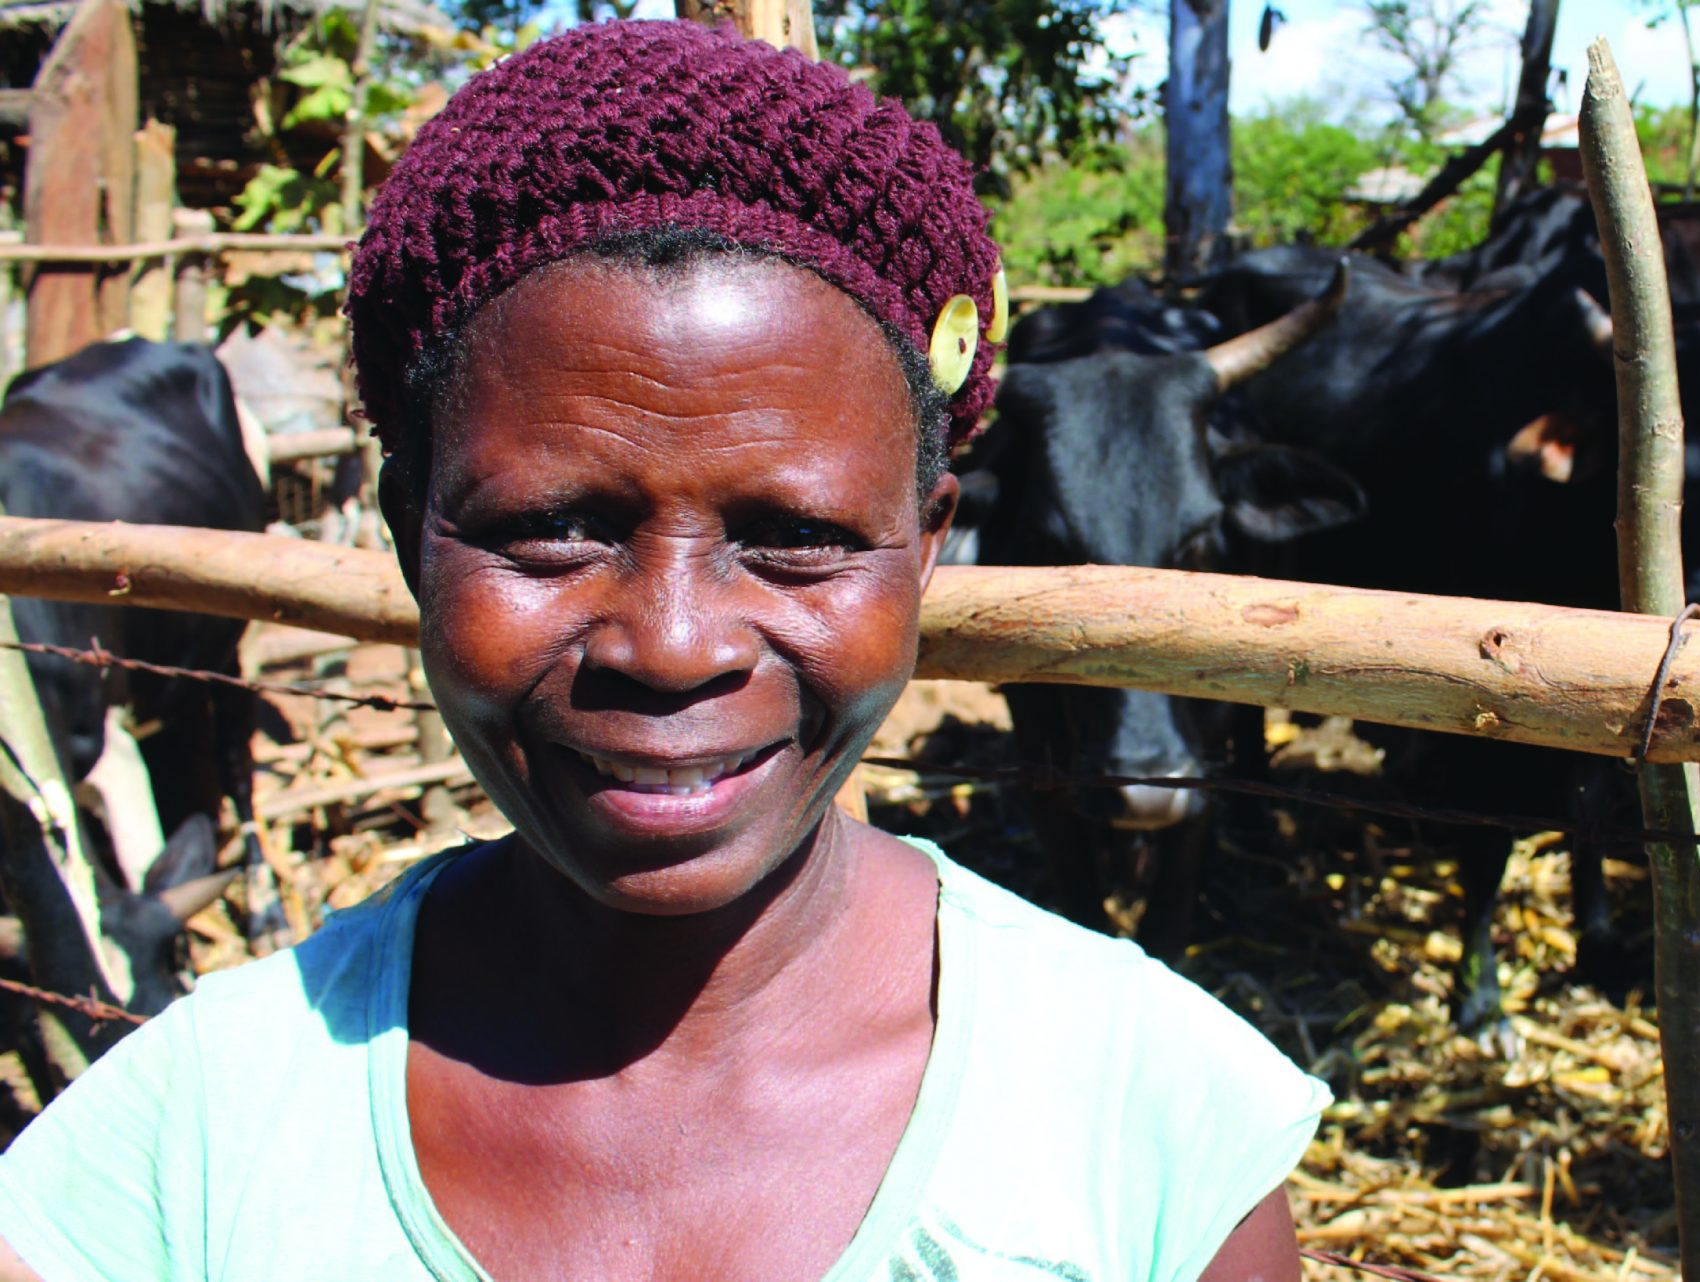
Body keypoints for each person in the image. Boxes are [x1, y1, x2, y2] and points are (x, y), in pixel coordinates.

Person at [0, 21, 1328, 1281]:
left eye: (796, 535)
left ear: (927, 549)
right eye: (553, 528)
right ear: (412, 537)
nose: (675, 643)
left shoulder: (1157, 1134)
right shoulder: (171, 1160)